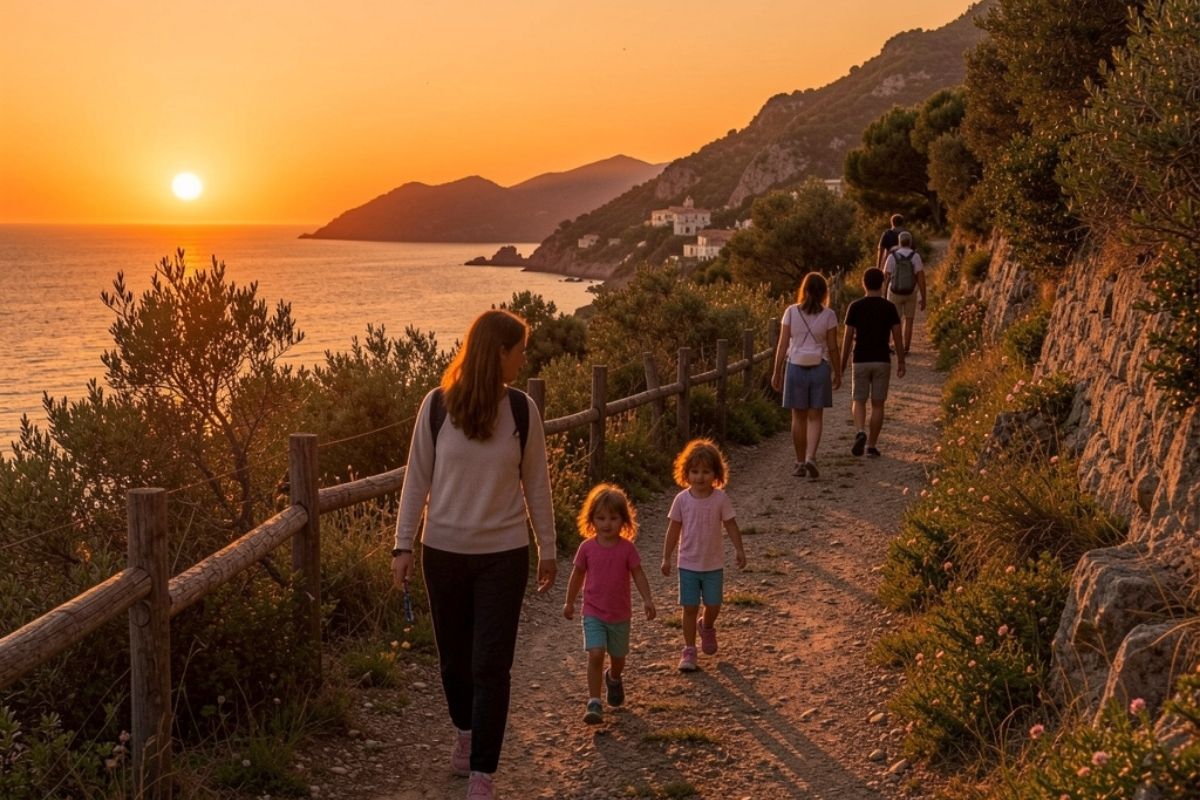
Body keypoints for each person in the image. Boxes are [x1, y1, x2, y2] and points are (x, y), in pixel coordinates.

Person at [392, 309, 557, 800]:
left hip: (503, 556)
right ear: (498, 353)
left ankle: (483, 770)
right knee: (453, 663)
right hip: (441, 553)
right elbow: (415, 478)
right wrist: (402, 544)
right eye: (519, 349)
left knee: (490, 664)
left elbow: (538, 486)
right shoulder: (437, 407)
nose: (524, 358)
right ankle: (465, 730)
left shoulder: (523, 411)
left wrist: (548, 547)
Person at [562, 484, 656, 725]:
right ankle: (594, 701)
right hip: (593, 611)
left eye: (613, 518)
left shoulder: (627, 549)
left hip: (620, 614)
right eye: (601, 518)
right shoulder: (587, 548)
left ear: (623, 520)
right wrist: (570, 601)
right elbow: (577, 575)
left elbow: (638, 574)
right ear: (591, 519)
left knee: (618, 657)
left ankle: (613, 678)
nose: (607, 524)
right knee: (595, 653)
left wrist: (647, 599)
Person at [660, 438, 746, 672]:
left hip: (713, 564)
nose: (700, 477)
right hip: (687, 563)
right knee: (688, 607)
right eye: (694, 471)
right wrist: (666, 557)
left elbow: (731, 524)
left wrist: (739, 549)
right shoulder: (682, 500)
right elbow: (673, 529)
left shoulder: (720, 499)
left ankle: (706, 626)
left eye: (706, 472)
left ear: (716, 473)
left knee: (714, 604)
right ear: (685, 472)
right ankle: (689, 649)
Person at [770, 271, 842, 478]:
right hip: (819, 367)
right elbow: (833, 347)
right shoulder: (829, 315)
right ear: (823, 293)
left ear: (804, 290)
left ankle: (800, 462)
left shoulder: (791, 312)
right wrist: (837, 372)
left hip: (795, 367)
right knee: (815, 416)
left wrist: (777, 371)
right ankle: (811, 457)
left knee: (798, 417)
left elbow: (783, 345)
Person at [840, 268, 906, 458]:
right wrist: (901, 360)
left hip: (860, 358)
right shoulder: (889, 307)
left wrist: (842, 365)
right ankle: (871, 445)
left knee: (859, 400)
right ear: (882, 284)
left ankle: (860, 431)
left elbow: (847, 338)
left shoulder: (855, 306)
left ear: (864, 283)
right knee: (878, 404)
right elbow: (897, 336)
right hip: (881, 359)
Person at [883, 230, 927, 356]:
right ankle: (906, 348)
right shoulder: (915, 256)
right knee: (909, 320)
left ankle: (896, 347)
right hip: (910, 292)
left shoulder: (892, 256)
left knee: (894, 321)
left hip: (894, 292)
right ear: (911, 242)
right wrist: (923, 298)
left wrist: (884, 295)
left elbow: (886, 277)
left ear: (899, 242)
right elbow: (921, 278)